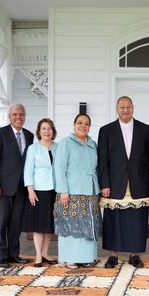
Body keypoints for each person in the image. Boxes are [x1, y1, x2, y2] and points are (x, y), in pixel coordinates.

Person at [98, 96, 149, 268]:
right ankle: (113, 255)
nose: (125, 110)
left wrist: (138, 169)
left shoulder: (145, 129)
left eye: (128, 107)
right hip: (114, 184)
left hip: (139, 183)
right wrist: (104, 184)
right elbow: (102, 160)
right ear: (117, 108)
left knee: (137, 221)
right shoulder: (106, 130)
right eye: (122, 107)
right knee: (114, 220)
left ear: (133, 108)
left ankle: (134, 255)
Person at [0, 103, 34, 268]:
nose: (18, 117)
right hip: (2, 187)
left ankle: (13, 254)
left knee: (16, 223)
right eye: (15, 114)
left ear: (25, 117)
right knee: (0, 223)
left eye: (21, 114)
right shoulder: (0, 134)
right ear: (9, 116)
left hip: (21, 188)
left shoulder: (29, 135)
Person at [54, 113, 102, 269]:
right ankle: (70, 257)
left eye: (87, 123)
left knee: (88, 224)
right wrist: (63, 191)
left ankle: (87, 257)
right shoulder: (65, 143)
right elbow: (59, 168)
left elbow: (96, 167)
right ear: (74, 124)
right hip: (72, 190)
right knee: (72, 224)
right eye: (80, 122)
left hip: (90, 190)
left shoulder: (92, 144)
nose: (83, 126)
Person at [23, 118, 58, 268]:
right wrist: (30, 189)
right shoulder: (33, 148)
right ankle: (38, 254)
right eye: (43, 128)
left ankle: (45, 253)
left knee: (49, 224)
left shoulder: (58, 147)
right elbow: (28, 170)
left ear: (53, 131)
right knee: (38, 224)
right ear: (39, 131)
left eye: (49, 128)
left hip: (54, 189)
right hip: (38, 190)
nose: (46, 131)